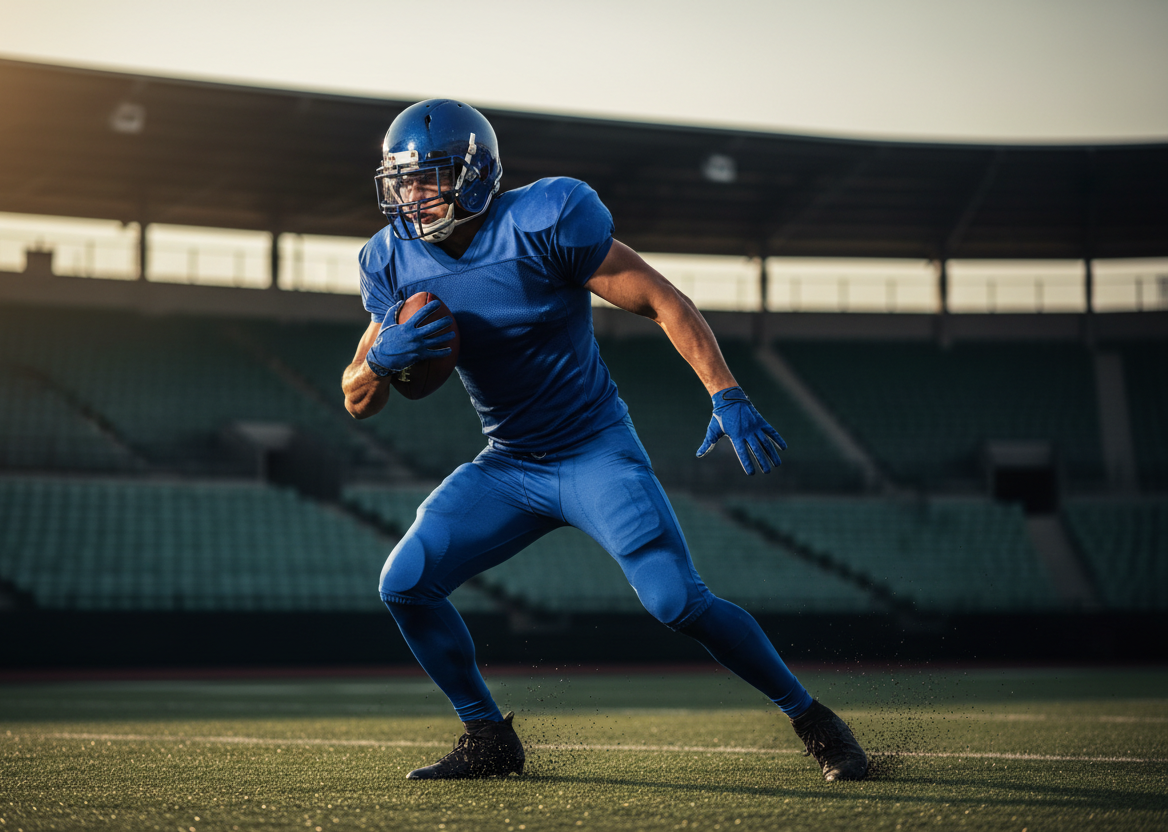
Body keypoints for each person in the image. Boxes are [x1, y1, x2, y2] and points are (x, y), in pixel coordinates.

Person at [341, 99, 867, 782]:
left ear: (473, 174)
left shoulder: (546, 218)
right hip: (509, 463)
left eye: (428, 178)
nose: (413, 196)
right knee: (404, 584)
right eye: (403, 181)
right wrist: (379, 360)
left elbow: (661, 299)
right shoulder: (390, 262)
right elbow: (358, 397)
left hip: (593, 449)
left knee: (676, 602)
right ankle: (488, 737)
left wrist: (725, 391)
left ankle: (813, 719)